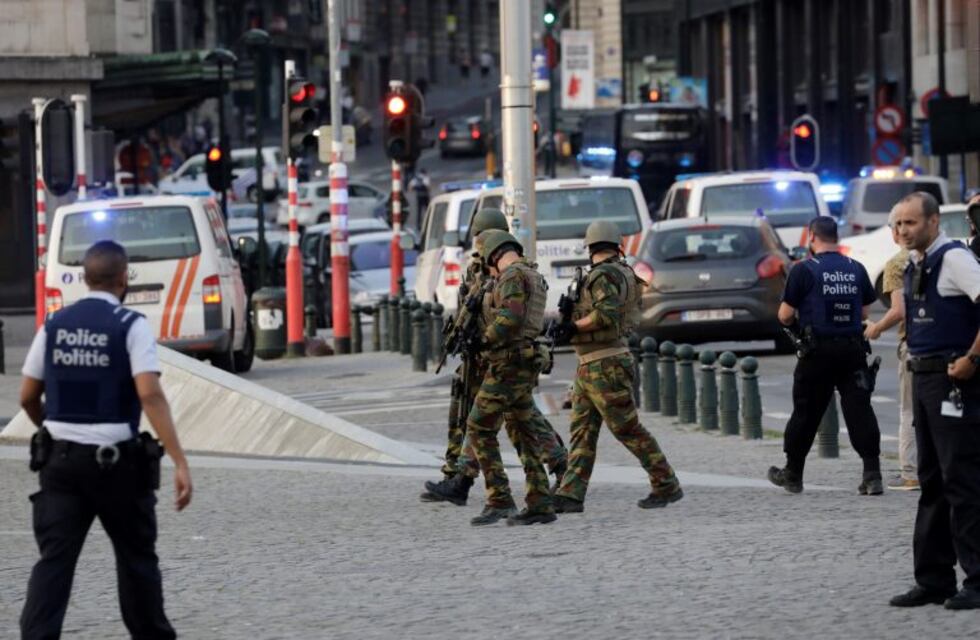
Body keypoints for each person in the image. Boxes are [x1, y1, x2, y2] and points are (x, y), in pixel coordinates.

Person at [19, 241, 193, 638]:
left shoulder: (54, 325)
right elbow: (148, 393)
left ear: (84, 278)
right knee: (136, 561)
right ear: (123, 278)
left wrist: (51, 427)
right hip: (117, 467)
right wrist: (180, 460)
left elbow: (27, 396)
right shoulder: (131, 325)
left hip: (60, 465)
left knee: (54, 564)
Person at [421, 210, 567, 505]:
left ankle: (475, 483)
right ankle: (464, 476)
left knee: (494, 420)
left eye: (480, 237)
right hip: (487, 353)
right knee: (500, 415)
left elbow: (508, 314)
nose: (477, 244)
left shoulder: (506, 271)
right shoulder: (481, 268)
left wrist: (484, 339)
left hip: (502, 354)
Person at [888, 192, 980, 610]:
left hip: (954, 380)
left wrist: (972, 358)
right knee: (931, 482)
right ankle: (934, 578)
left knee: (961, 481)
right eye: (899, 224)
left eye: (911, 222)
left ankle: (978, 580)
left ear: (934, 221)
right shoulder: (914, 263)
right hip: (924, 378)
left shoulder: (956, 260)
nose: (903, 230)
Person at [551, 220, 682, 513]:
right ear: (616, 245)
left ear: (590, 246)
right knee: (582, 430)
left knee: (627, 429)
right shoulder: (622, 272)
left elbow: (605, 315)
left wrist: (573, 326)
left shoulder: (603, 276)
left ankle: (666, 483)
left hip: (605, 363)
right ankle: (571, 493)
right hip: (592, 363)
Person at [767, 216, 883, 495]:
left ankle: (793, 473)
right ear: (837, 237)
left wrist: (797, 331)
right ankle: (872, 474)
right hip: (852, 350)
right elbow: (866, 313)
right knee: (860, 410)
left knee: (806, 412)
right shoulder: (855, 268)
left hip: (816, 352)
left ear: (811, 237)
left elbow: (784, 315)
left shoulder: (804, 269)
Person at [465, 230, 555, 526]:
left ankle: (500, 498)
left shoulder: (513, 276)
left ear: (493, 255)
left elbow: (510, 317)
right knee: (522, 428)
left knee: (478, 425)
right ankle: (540, 501)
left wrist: (483, 340)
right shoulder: (532, 274)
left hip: (509, 362)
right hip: (523, 360)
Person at [864, 208, 917, 490]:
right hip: (947, 342)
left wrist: (876, 328)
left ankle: (910, 472)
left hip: (913, 343)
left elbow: (899, 310)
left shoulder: (896, 264)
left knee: (909, 410)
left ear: (894, 232)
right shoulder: (943, 255)